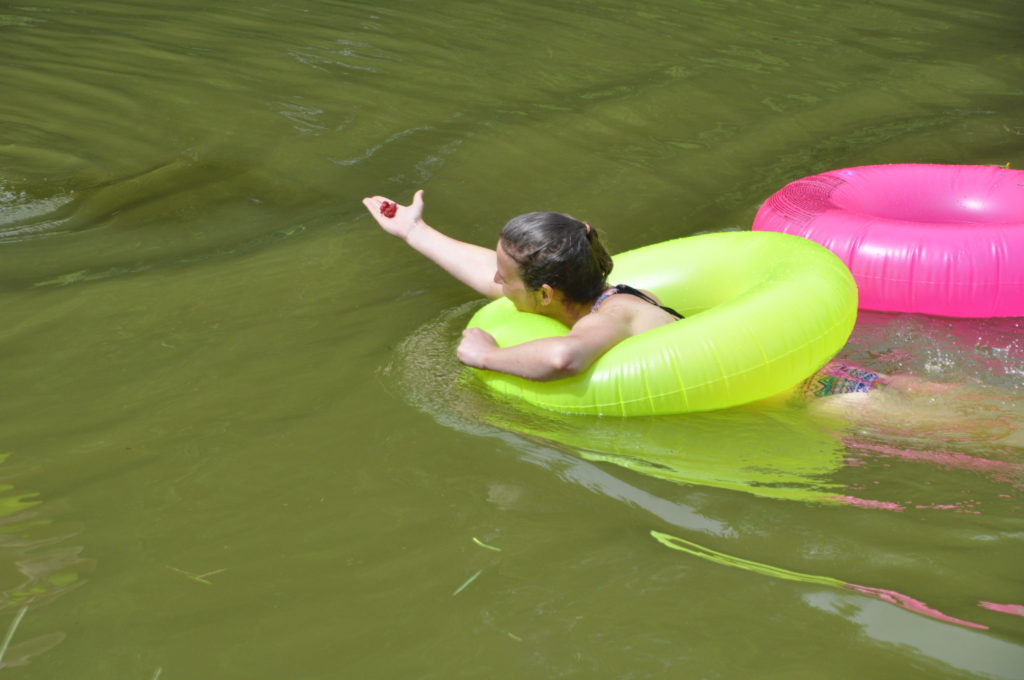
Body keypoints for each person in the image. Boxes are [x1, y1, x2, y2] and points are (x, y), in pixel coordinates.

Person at [362, 190, 682, 381]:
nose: (496, 279)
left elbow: (564, 357)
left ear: (545, 293)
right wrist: (413, 230)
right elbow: (486, 271)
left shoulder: (613, 316)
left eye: (504, 276)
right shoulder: (586, 292)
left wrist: (486, 356)